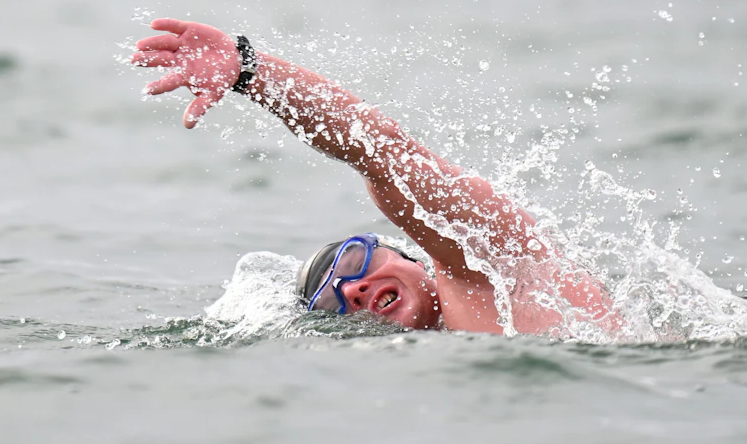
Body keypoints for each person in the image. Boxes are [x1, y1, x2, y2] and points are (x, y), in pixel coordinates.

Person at [130, 18, 619, 336]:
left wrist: (250, 72)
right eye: (330, 302)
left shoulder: (489, 269)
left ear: (414, 254)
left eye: (353, 262)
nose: (352, 290)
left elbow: (385, 155)